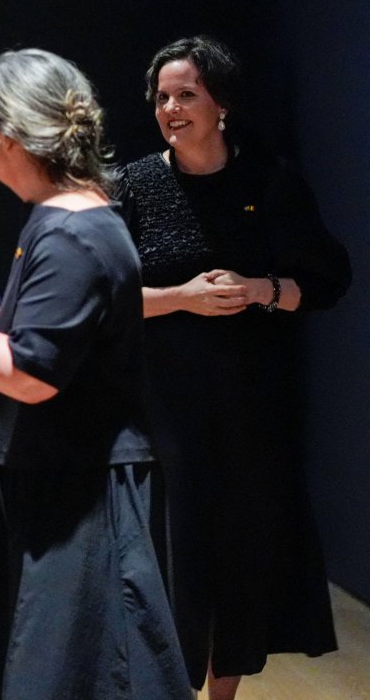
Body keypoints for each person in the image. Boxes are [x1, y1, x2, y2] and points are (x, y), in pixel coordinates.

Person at [0, 49, 192, 700]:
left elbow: (32, 376)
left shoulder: (70, 232)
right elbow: (55, 337)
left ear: (8, 137)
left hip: (74, 501)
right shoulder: (68, 217)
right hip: (50, 481)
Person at [113, 36, 351, 700]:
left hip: (251, 408)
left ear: (221, 103)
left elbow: (327, 281)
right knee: (167, 561)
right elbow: (101, 297)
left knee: (240, 562)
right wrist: (181, 298)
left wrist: (258, 290)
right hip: (161, 410)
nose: (171, 108)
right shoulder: (133, 185)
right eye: (162, 97)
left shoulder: (269, 181)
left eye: (186, 94)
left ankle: (222, 697)